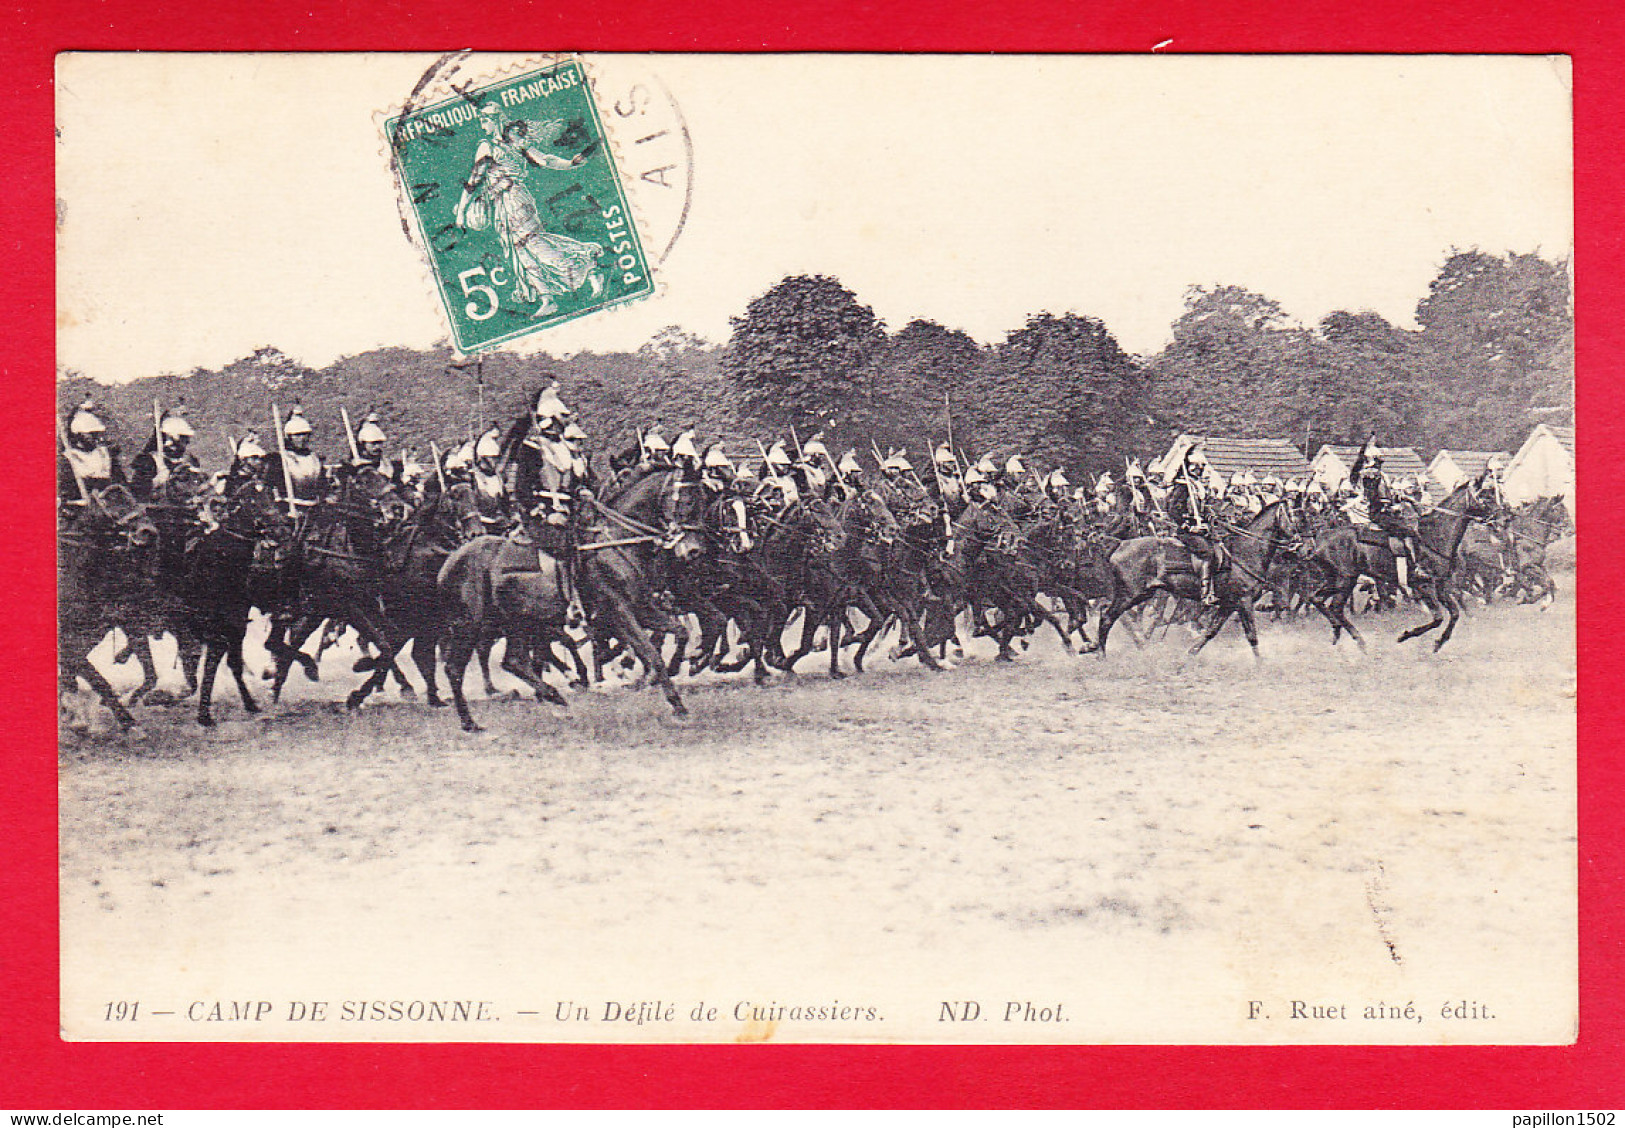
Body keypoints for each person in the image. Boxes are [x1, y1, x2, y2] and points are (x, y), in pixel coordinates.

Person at [454, 104, 606, 318]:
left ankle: (588, 266)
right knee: (520, 251)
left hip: (514, 201)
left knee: (535, 244)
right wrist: (570, 164)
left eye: (484, 119)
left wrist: (570, 164)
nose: (482, 125)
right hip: (502, 205)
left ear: (496, 119)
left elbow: (543, 160)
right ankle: (548, 299)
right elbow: (475, 180)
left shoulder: (494, 146)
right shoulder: (507, 144)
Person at [1350, 436, 1420, 592]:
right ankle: (1414, 567)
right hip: (1378, 513)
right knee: (1409, 532)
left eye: (1380, 463)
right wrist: (1389, 506)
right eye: (1378, 462)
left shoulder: (1380, 476)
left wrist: (1398, 498)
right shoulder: (1370, 476)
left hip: (1385, 511)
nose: (1379, 466)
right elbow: (1373, 497)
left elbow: (1386, 494)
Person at [1166, 446, 1223, 606]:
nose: (1199, 471)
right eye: (1197, 468)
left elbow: (1202, 508)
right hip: (1187, 531)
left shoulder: (1196, 486)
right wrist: (1188, 527)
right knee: (1208, 553)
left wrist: (1209, 515)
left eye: (1201, 468)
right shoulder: (1183, 486)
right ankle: (1206, 594)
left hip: (1202, 529)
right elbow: (1172, 510)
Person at [130, 406, 203, 504]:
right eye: (183, 438)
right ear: (172, 437)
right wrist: (157, 481)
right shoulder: (149, 461)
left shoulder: (190, 460)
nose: (188, 442)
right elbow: (138, 493)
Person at [59, 398, 124, 506]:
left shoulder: (104, 454)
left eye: (97, 434)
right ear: (78, 434)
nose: (96, 438)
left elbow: (119, 484)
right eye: (91, 434)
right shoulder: (68, 459)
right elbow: (63, 497)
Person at [268, 405, 327, 511]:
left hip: (314, 508)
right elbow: (272, 488)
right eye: (297, 435)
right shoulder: (280, 459)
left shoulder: (314, 458)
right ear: (289, 437)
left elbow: (323, 485)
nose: (302, 439)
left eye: (305, 435)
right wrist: (282, 508)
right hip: (290, 508)